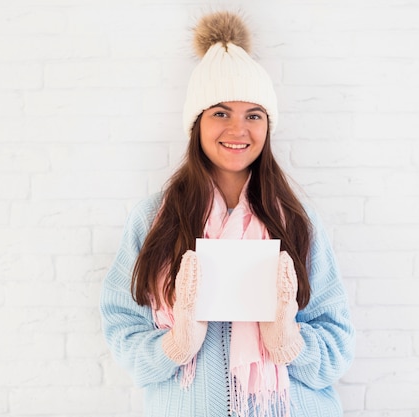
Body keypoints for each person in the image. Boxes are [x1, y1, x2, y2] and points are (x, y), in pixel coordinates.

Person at [100, 10, 355, 417]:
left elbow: (338, 344)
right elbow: (121, 327)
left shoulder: (295, 219)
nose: (239, 130)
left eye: (253, 115)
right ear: (196, 124)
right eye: (221, 113)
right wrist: (175, 345)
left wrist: (289, 340)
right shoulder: (154, 220)